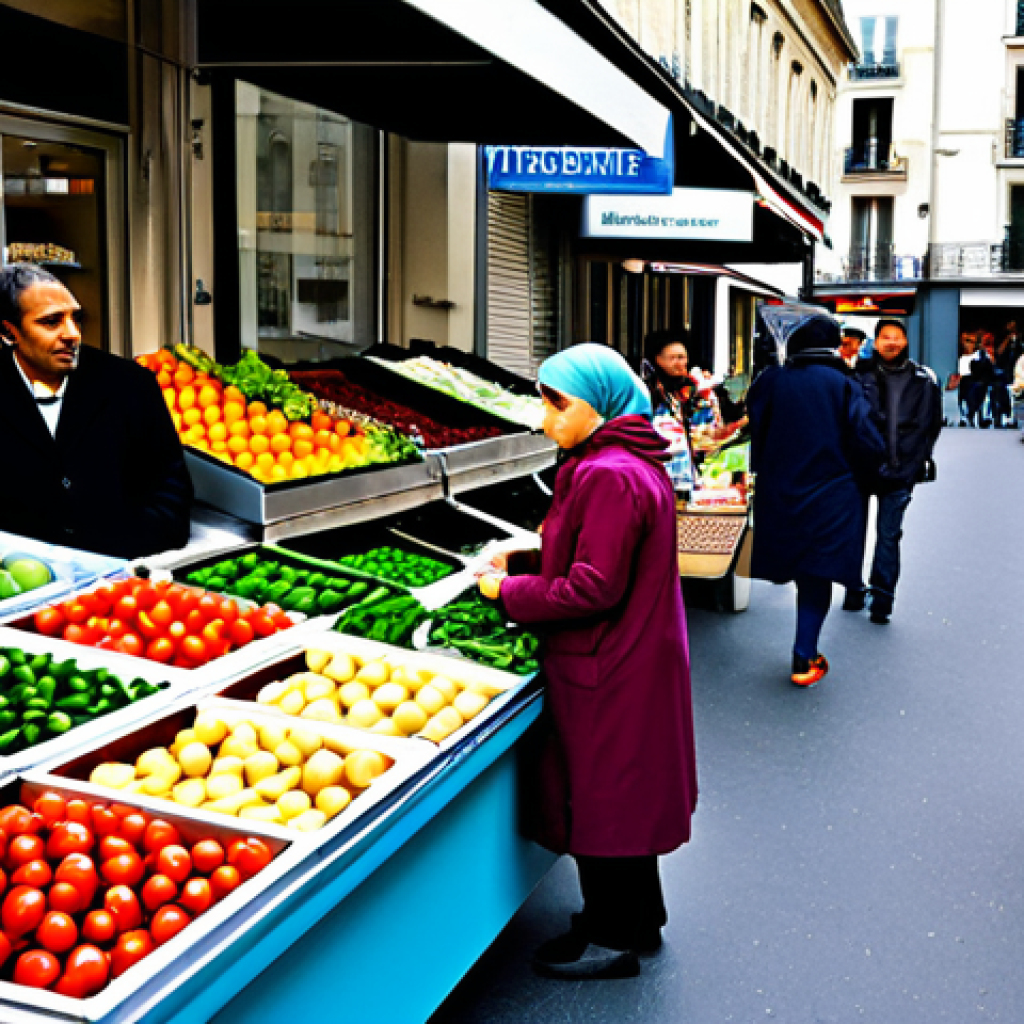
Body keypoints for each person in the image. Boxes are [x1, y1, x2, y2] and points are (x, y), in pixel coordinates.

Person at [478, 343, 697, 981]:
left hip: (610, 663)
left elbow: (593, 586)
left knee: (602, 802)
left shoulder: (608, 474)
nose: (546, 417)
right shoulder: (623, 457)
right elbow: (589, 553)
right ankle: (639, 918)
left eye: (558, 403)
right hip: (632, 654)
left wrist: (508, 591)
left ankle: (613, 938)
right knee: (622, 797)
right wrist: (526, 559)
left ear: (596, 402)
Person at [0, 263, 192, 558]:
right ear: (8, 332)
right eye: (51, 322)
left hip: (123, 575)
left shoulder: (129, 384)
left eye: (75, 318)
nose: (72, 334)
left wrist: (116, 551)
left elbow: (170, 491)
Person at [747, 315, 884, 687]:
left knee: (792, 561)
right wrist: (874, 476)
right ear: (834, 346)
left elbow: (755, 424)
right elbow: (866, 440)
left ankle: (805, 653)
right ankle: (803, 655)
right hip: (832, 494)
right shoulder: (843, 384)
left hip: (781, 490)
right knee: (816, 573)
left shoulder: (771, 380)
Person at [847, 318, 942, 624]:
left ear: (906, 342)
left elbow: (932, 425)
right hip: (860, 468)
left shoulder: (923, 380)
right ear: (875, 343)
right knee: (853, 533)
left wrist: (918, 460)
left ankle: (882, 600)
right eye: (885, 337)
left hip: (902, 470)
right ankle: (852, 588)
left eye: (896, 337)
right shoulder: (856, 376)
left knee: (889, 535)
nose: (891, 342)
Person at [641, 330, 698, 497]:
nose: (679, 363)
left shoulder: (686, 389)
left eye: (682, 357)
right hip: (657, 473)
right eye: (673, 358)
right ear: (658, 360)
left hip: (683, 472)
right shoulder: (650, 392)